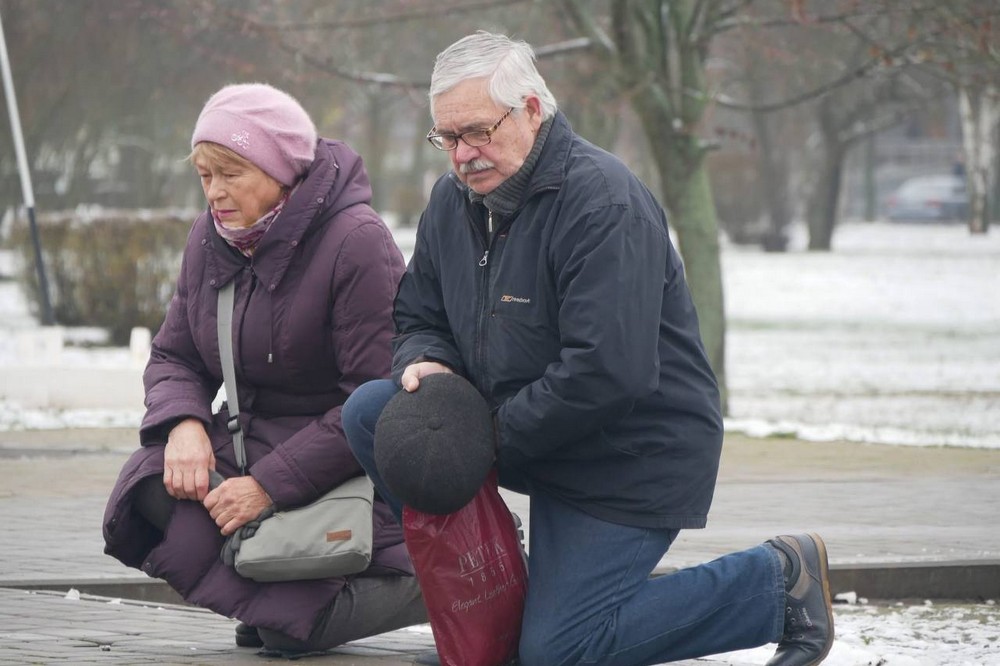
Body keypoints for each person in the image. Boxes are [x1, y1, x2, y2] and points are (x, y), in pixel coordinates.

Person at [343, 32, 834, 666]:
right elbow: (417, 313)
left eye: (477, 132)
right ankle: (493, 614)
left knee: (559, 654)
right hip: (526, 432)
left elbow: (607, 373)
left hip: (625, 455)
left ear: (530, 109)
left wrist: (480, 436)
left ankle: (775, 584)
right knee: (373, 413)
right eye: (448, 139)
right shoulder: (452, 202)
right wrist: (424, 364)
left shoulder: (602, 202)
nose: (463, 155)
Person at [103, 82, 426, 654]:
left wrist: (268, 487)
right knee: (149, 485)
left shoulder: (358, 243)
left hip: (344, 467)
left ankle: (428, 581)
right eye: (205, 175)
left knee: (289, 635)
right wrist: (183, 424)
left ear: (281, 170)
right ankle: (270, 581)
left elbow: (373, 402)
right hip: (248, 443)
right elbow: (176, 354)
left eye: (231, 173)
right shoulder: (211, 237)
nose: (215, 193)